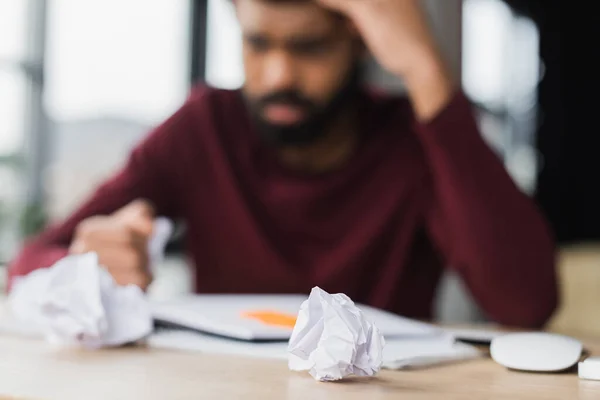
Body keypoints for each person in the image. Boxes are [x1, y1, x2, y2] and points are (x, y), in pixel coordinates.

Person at [9, 0, 558, 328]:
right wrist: (82, 265)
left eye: (310, 47)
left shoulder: (415, 141)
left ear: (362, 42)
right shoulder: (205, 127)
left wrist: (427, 72)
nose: (277, 76)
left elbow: (527, 304)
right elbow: (28, 263)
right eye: (257, 43)